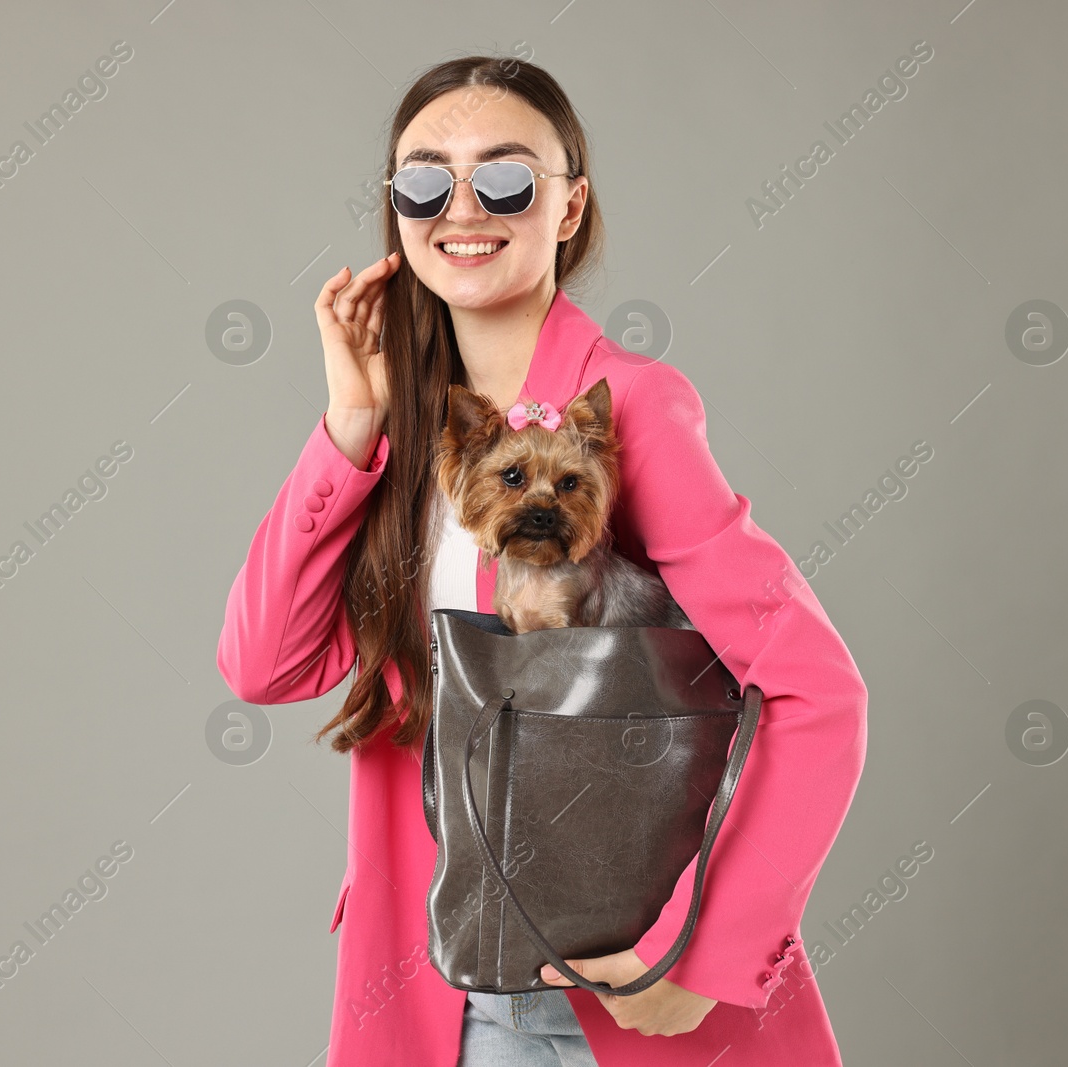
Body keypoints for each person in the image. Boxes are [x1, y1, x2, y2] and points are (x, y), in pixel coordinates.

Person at [216, 55, 867, 1066]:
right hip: (438, 977)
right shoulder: (398, 433)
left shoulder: (630, 408)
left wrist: (696, 958)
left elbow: (816, 691)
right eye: (424, 180)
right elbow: (263, 663)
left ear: (568, 208)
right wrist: (350, 423)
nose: (462, 207)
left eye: (506, 177)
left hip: (599, 984)